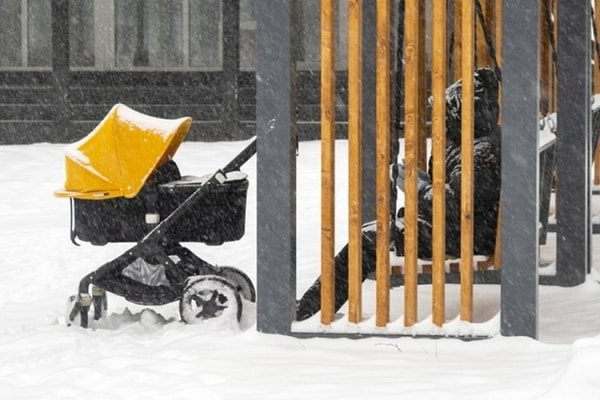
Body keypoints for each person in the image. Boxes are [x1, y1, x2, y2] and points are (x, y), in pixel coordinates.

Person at [296, 68, 501, 321]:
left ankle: (309, 309)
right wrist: (424, 182)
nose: (442, 120)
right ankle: (314, 303)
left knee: (368, 240)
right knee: (371, 235)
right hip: (465, 231)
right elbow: (462, 199)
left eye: (447, 113)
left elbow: (459, 205)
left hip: (464, 237)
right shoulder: (476, 146)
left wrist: (419, 188)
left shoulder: (479, 152)